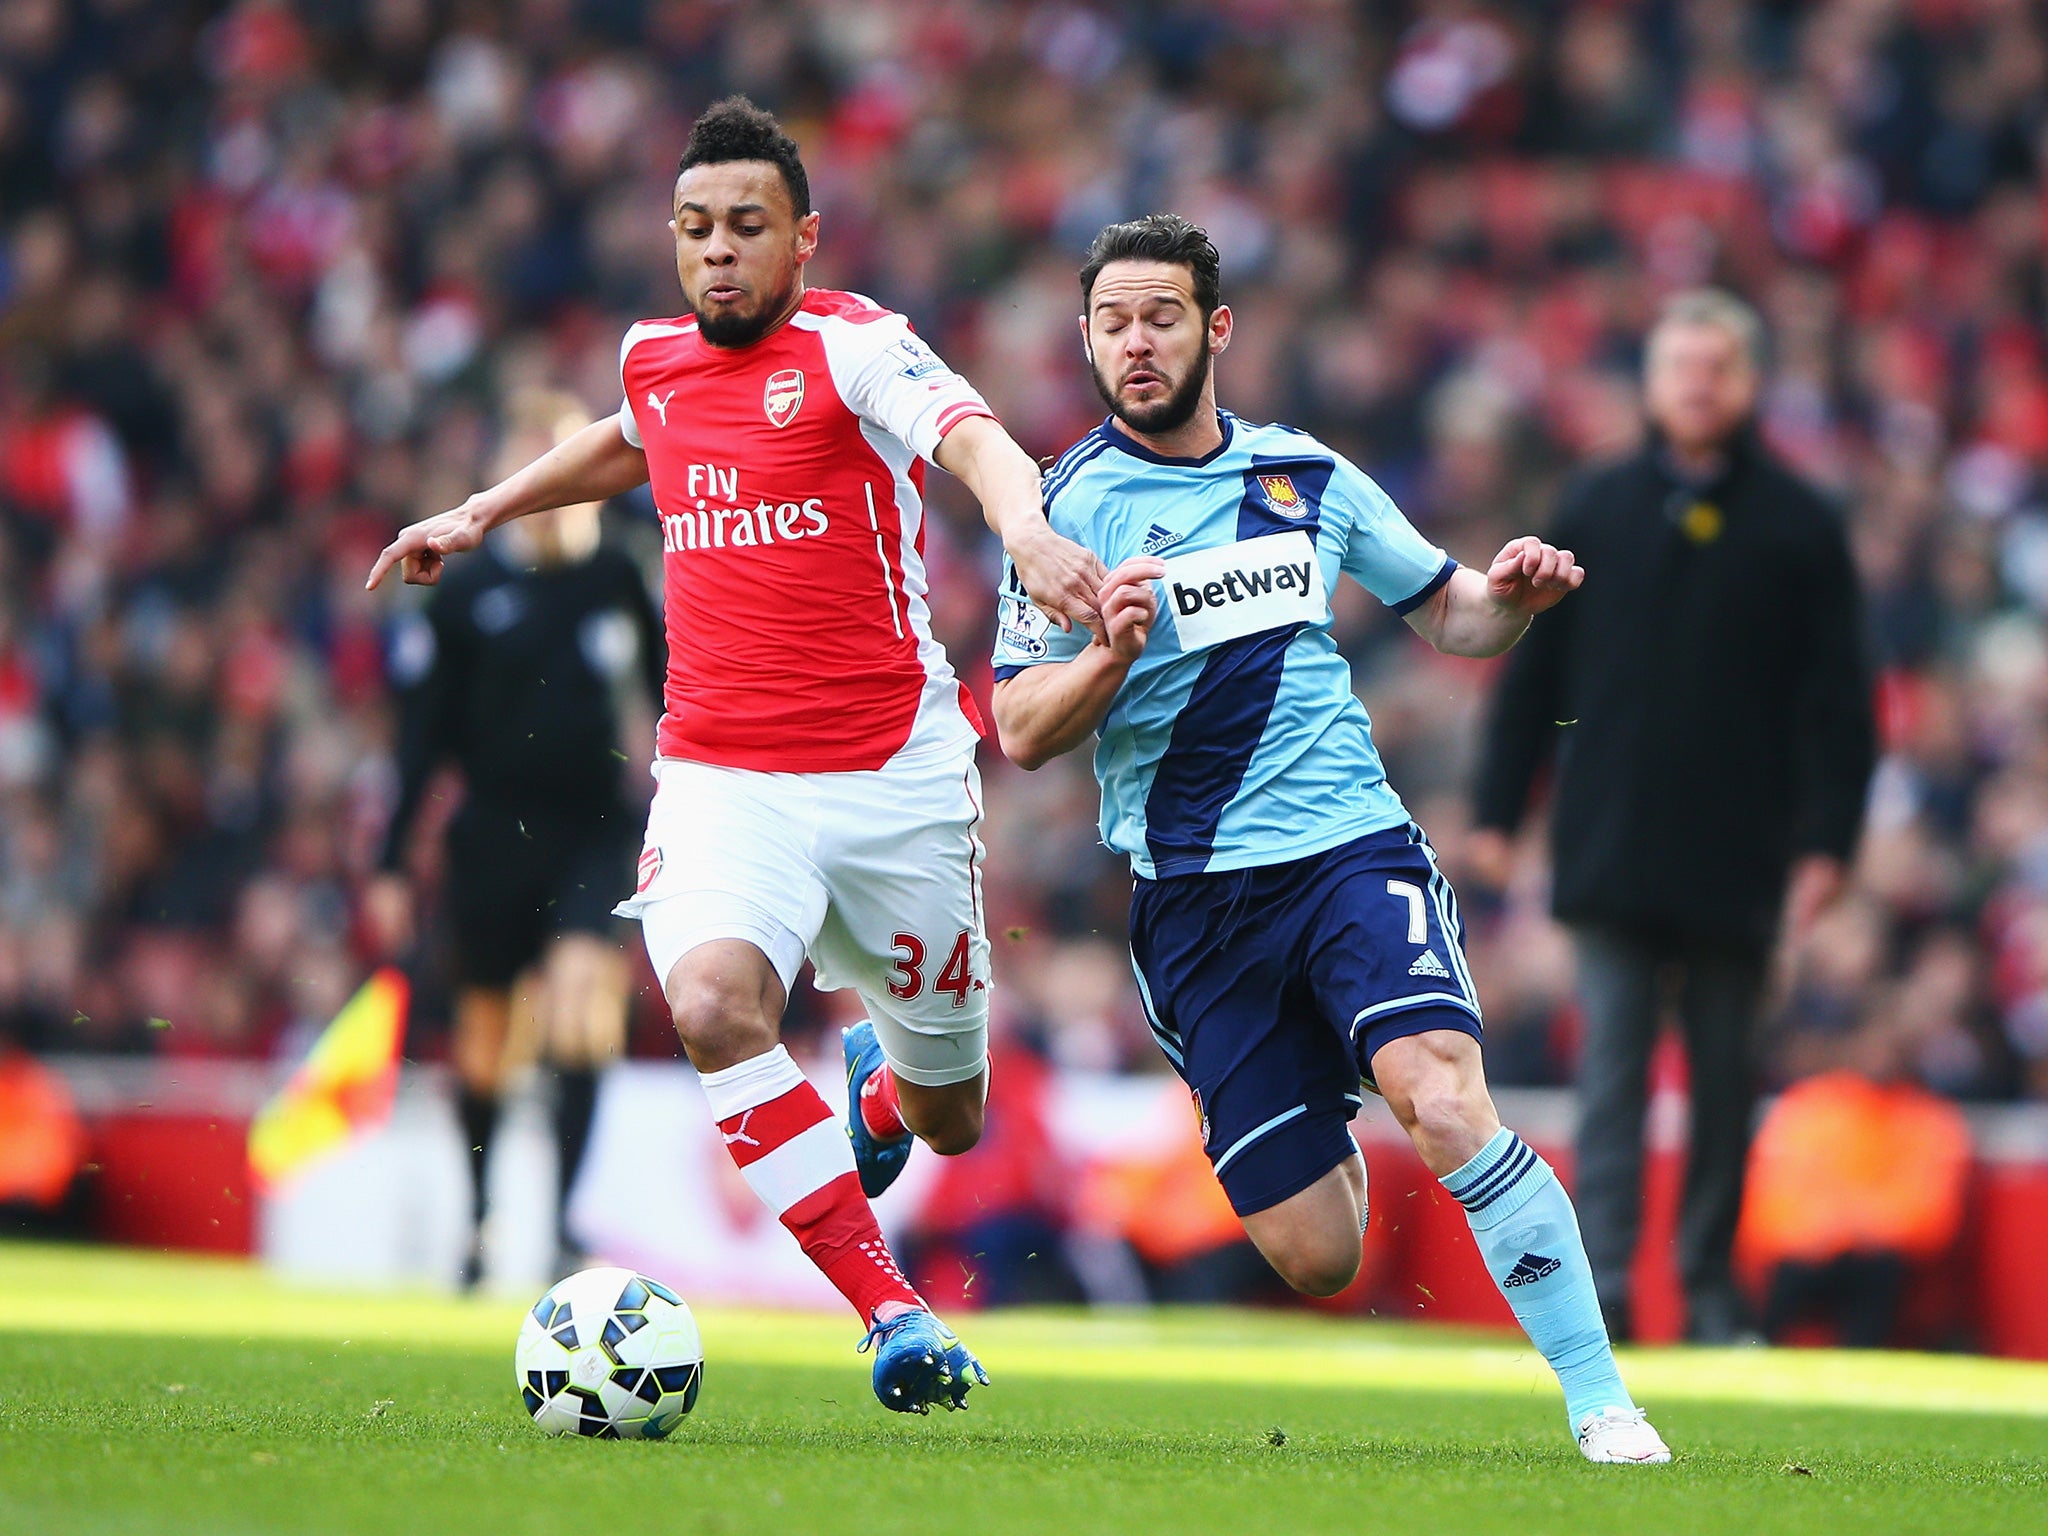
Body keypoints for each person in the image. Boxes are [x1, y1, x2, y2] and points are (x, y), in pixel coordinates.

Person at [368, 97, 1104, 1414]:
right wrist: (484, 509)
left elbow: (973, 439)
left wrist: (1026, 527)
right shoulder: (657, 358)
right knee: (710, 1005)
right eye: (696, 229)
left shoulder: (855, 346)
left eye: (747, 228)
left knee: (952, 1116)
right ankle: (890, 1313)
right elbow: (627, 438)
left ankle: (883, 1092)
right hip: (719, 776)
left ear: (804, 240)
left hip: (894, 778)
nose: (718, 253)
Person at [990, 214, 1669, 1464]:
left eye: (1160, 317)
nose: (1135, 344)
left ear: (1215, 329)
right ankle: (1331, 1058)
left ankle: (1599, 1399)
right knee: (1318, 1254)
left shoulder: (1304, 476)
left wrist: (1507, 600)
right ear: (1085, 340)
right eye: (1111, 323)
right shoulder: (1059, 509)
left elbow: (1452, 616)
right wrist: (1104, 655)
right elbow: (1021, 727)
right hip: (1192, 905)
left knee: (1443, 1097)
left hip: (1348, 851)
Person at [1469, 289, 1876, 1344]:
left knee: (1725, 1084)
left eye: (1716, 367)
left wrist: (1828, 842)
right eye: (1679, 366)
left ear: (1746, 382)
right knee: (1607, 1081)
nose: (1696, 384)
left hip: (1740, 850)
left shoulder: (1798, 522)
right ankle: (1601, 1290)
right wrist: (1498, 810)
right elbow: (1529, 670)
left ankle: (1704, 1292)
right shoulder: (1593, 507)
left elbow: (1839, 697)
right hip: (1610, 843)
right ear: (1650, 381)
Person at [368, 389, 664, 1287]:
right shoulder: (467, 593)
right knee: (486, 1041)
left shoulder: (623, 575)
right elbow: (422, 740)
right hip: (493, 833)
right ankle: (482, 1216)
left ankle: (566, 1226)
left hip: (593, 830)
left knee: (583, 1008)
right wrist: (389, 860)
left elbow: (674, 700)